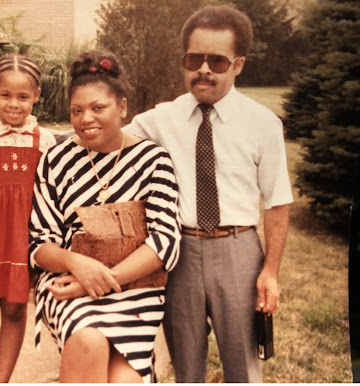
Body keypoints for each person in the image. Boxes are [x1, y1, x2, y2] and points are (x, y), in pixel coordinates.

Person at [125, 5, 293, 383]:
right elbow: (106, 136)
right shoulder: (160, 119)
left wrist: (270, 272)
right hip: (179, 253)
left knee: (243, 367)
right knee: (186, 367)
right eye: (194, 58)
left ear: (238, 65)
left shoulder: (262, 123)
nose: (203, 69)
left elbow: (278, 202)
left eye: (217, 61)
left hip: (238, 253)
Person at [28, 50, 181, 383]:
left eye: (99, 108)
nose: (86, 119)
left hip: (134, 286)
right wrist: (78, 266)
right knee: (88, 341)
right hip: (66, 284)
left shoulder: (154, 161)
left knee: (125, 380)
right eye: (77, 110)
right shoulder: (56, 159)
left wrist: (97, 279)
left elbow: (165, 243)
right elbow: (38, 244)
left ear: (122, 107)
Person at [0, 54, 56, 382]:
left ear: (37, 95)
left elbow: (50, 193)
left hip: (25, 238)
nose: (14, 104)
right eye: (6, 95)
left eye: (23, 96)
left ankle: (0, 381)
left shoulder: (45, 141)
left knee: (16, 309)